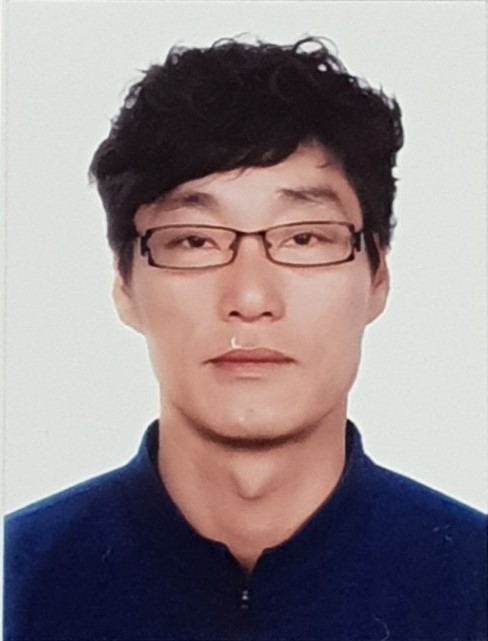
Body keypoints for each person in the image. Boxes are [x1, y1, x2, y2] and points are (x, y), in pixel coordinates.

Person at [4, 36, 486, 641]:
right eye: (195, 240)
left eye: (304, 238)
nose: (252, 298)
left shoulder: (474, 582)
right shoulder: (19, 580)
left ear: (378, 277)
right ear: (125, 284)